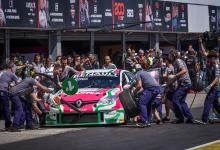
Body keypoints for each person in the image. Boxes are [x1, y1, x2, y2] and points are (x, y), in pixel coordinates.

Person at [168, 50, 194, 124]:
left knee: (175, 99)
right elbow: (178, 76)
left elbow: (184, 71)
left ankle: (180, 118)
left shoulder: (178, 61)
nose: (169, 57)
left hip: (184, 83)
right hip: (185, 83)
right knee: (182, 101)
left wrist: (175, 76)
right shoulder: (176, 62)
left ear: (173, 55)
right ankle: (189, 117)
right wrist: (170, 82)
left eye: (170, 55)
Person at [201, 51, 220, 124]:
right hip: (212, 87)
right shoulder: (210, 64)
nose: (207, 59)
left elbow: (216, 78)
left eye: (209, 58)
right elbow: (204, 54)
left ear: (213, 58)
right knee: (216, 105)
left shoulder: (217, 66)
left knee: (207, 102)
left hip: (214, 87)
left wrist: (210, 86)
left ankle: (204, 119)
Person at [0, 62, 20, 131]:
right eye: (15, 68)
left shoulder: (1, 71)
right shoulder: (11, 74)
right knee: (6, 108)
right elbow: (19, 84)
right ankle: (8, 124)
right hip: (2, 91)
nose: (15, 69)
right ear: (11, 68)